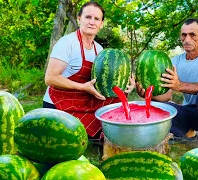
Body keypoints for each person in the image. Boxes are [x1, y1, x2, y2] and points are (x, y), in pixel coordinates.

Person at [43, 2, 135, 140]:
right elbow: (50, 78)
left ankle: (105, 133)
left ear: (101, 24)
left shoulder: (99, 50)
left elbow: (106, 84)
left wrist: (126, 87)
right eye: (88, 17)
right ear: (79, 19)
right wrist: (82, 87)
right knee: (71, 138)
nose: (92, 22)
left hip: (82, 101)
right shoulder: (67, 43)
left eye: (96, 19)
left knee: (116, 100)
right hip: (58, 104)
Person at [136, 18, 198, 148]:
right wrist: (147, 95)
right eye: (184, 35)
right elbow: (166, 96)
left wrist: (179, 85)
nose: (187, 39)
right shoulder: (174, 61)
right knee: (161, 106)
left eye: (192, 35)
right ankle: (189, 134)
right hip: (189, 113)